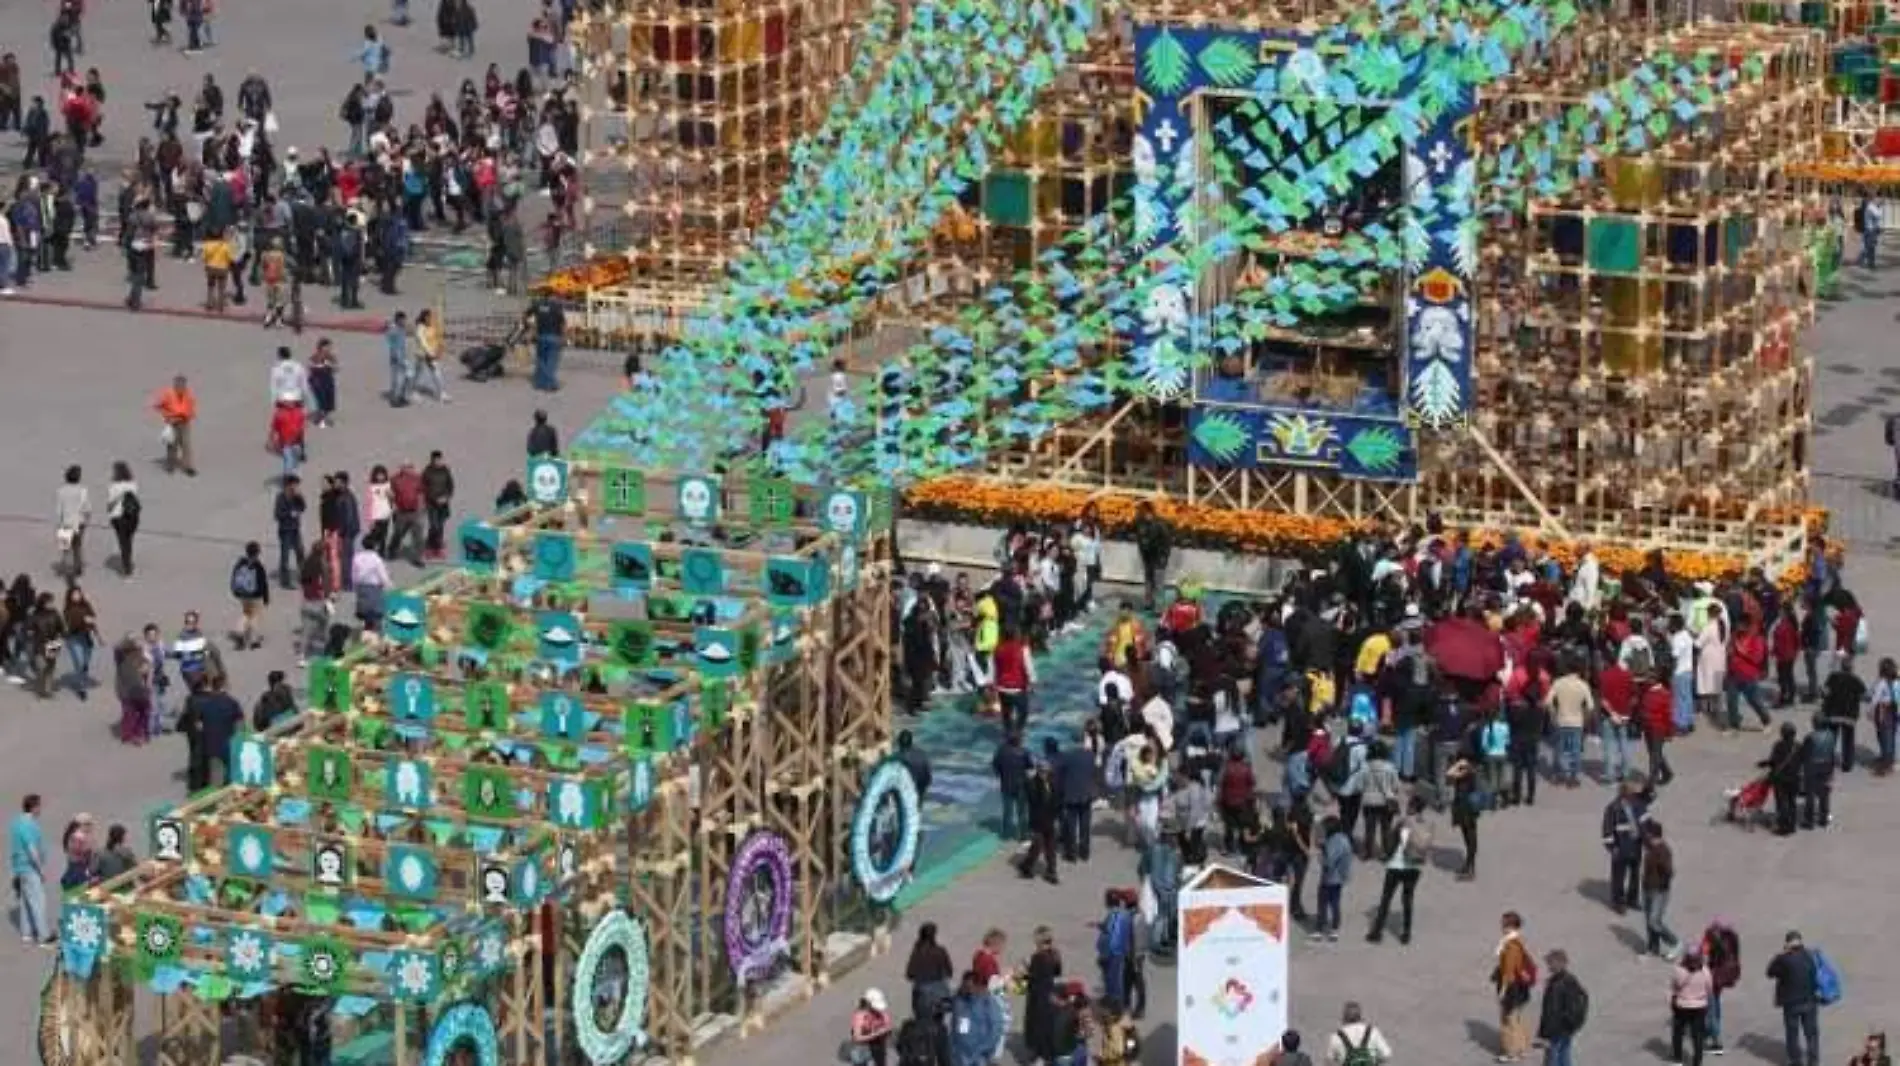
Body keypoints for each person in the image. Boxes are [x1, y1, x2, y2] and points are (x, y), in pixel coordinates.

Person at [1366, 795, 1430, 945]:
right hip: (1414, 866)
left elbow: (1392, 843)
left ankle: (1377, 932)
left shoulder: (1403, 822)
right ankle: (1406, 933)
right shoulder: (1426, 823)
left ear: (1412, 807)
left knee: (1386, 898)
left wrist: (1387, 855)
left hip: (1397, 865)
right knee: (1407, 900)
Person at [178, 674, 243, 792]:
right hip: (229, 745)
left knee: (216, 782)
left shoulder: (203, 703)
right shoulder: (231, 702)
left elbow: (197, 725)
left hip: (211, 747)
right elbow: (240, 724)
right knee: (234, 778)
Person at [1766, 931, 1821, 1066]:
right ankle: (1813, 1061)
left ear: (1787, 943)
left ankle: (1796, 1061)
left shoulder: (1784, 959)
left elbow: (1770, 972)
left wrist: (1780, 955)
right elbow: (1815, 974)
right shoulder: (1809, 955)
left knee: (1792, 1034)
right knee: (1812, 1034)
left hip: (1791, 1004)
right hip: (1809, 1001)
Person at [1600, 774, 1650, 913]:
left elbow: (1645, 823)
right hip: (1620, 847)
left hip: (1635, 844)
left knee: (1635, 874)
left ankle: (1632, 899)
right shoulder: (1613, 808)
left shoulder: (1639, 803)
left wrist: (1648, 841)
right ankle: (1618, 902)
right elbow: (1607, 830)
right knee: (1618, 876)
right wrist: (1612, 847)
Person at [10, 794, 52, 944]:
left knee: (26, 901)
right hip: (30, 867)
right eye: (39, 806)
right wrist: (40, 870)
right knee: (38, 901)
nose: (40, 809)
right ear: (33, 808)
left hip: (20, 868)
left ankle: (26, 933)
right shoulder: (28, 825)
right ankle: (43, 936)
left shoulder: (17, 822)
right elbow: (31, 849)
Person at [1494, 912, 1535, 1063]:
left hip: (1511, 988)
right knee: (1517, 1018)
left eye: (1503, 924)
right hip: (1520, 988)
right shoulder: (1517, 940)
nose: (1501, 927)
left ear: (1510, 926)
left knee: (1507, 1020)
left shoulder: (1510, 945)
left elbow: (1509, 971)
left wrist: (1503, 991)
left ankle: (1511, 1051)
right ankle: (1522, 1048)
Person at [1536, 950, 1588, 1066]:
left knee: (1553, 1055)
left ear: (1557, 964)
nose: (1548, 966)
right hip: (1568, 1026)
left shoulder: (1556, 986)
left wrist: (1545, 1033)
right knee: (1564, 1052)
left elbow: (1551, 1012)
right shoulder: (1570, 979)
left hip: (1557, 1028)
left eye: (1549, 963)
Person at [1022, 927, 1063, 1065]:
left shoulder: (1038, 957)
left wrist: (1026, 968)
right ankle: (1048, 1054)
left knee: (1037, 1025)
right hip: (1049, 991)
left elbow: (1033, 977)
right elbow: (1057, 973)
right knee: (1047, 1024)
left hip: (1038, 995)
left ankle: (1040, 1056)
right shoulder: (1055, 954)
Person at [1699, 920, 1741, 1055]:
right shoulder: (1732, 937)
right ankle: (1710, 1030)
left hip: (1714, 975)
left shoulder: (1712, 939)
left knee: (1710, 1006)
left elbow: (1704, 955)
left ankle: (1716, 1041)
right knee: (1715, 1002)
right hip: (1726, 975)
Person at [1639, 820, 1678, 958]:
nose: (1645, 836)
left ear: (1652, 835)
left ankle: (1674, 943)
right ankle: (1652, 947)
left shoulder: (1663, 850)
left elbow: (1669, 871)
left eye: (1647, 834)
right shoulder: (1650, 847)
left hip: (1659, 891)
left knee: (1654, 921)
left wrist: (1665, 876)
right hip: (1647, 888)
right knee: (1649, 920)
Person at [1669, 951, 1714, 1066]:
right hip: (1699, 1006)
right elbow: (1709, 988)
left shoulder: (1679, 970)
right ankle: (1697, 1061)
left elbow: (1674, 986)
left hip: (1682, 1006)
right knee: (1698, 1035)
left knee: (1678, 1032)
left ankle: (1677, 1058)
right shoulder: (1705, 972)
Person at [948, 971, 1002, 1066]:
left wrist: (985, 1049)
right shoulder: (959, 1000)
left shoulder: (987, 1002)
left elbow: (996, 1028)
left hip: (979, 1054)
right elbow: (954, 1024)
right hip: (960, 1053)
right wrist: (952, 1047)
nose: (967, 990)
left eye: (970, 987)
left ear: (977, 986)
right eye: (965, 986)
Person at [1313, 814, 1351, 943]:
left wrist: (1320, 856)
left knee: (1323, 903)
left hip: (1330, 878)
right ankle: (1334, 929)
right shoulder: (1343, 838)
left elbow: (1329, 862)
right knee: (1335, 903)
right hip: (1339, 879)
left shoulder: (1334, 841)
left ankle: (1320, 929)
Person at [1761, 721, 1803, 836]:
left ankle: (1784, 827)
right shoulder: (1799, 746)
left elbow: (1773, 762)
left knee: (1782, 803)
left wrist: (1763, 764)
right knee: (1792, 802)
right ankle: (1792, 825)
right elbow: (1802, 761)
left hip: (1781, 780)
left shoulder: (1778, 745)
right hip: (1794, 779)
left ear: (1782, 734)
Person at [154, 374, 197, 476]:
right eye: (178, 384)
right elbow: (158, 406)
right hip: (173, 422)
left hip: (185, 422)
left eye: (183, 384)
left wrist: (190, 415)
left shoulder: (189, 394)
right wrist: (168, 416)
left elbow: (192, 407)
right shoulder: (168, 394)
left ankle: (188, 467)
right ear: (175, 384)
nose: (181, 386)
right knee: (172, 444)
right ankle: (170, 465)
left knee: (186, 444)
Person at [230, 542, 270, 650]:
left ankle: (239, 632)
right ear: (257, 553)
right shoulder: (258, 566)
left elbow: (234, 576)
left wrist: (234, 590)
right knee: (254, 616)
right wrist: (266, 598)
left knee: (246, 614)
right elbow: (263, 583)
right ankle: (253, 640)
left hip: (243, 594)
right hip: (255, 595)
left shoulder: (240, 563)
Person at [114, 634, 153, 745]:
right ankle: (130, 735)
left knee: (143, 712)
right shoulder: (121, 656)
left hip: (139, 690)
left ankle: (138, 734)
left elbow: (148, 670)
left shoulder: (141, 655)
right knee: (131, 713)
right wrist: (129, 639)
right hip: (126, 690)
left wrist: (148, 684)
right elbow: (117, 647)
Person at [61, 585, 98, 699]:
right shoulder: (68, 609)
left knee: (86, 662)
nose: (77, 596)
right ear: (70, 596)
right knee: (79, 663)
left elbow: (93, 615)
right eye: (74, 594)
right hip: (73, 638)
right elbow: (71, 622)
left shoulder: (86, 605)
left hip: (86, 637)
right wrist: (84, 619)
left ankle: (83, 676)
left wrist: (91, 620)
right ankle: (81, 688)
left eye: (78, 593)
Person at [1326, 1002, 1390, 1065]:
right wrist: (1374, 1062)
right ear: (1360, 1017)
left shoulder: (1336, 1036)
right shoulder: (1373, 1032)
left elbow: (1329, 1061)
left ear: (1344, 1018)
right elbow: (1386, 1054)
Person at [55, 464, 91, 578]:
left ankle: (66, 569)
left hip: (65, 522)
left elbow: (58, 510)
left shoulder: (61, 491)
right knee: (77, 546)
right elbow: (87, 508)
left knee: (65, 548)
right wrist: (86, 520)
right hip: (79, 523)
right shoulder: (82, 490)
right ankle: (78, 567)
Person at [106, 461, 140, 578]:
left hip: (118, 517)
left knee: (122, 541)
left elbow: (110, 504)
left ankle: (126, 565)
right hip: (132, 516)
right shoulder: (133, 484)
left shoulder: (113, 486)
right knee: (129, 539)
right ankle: (128, 560)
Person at [421, 451, 454, 560]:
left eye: (439, 459)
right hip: (432, 504)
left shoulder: (445, 471)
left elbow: (450, 485)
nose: (438, 462)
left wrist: (447, 497)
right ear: (432, 460)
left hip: (443, 504)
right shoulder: (427, 472)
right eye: (436, 460)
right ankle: (430, 547)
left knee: (440, 526)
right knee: (434, 526)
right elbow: (424, 488)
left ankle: (438, 548)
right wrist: (435, 499)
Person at [531, 291, 566, 391]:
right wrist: (564, 337)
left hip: (541, 336)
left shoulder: (538, 305)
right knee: (551, 361)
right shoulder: (557, 307)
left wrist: (529, 327)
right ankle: (550, 384)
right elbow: (563, 323)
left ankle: (539, 383)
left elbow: (526, 314)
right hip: (554, 337)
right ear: (552, 296)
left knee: (541, 360)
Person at [849, 989, 892, 1066]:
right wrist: (876, 1034)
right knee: (860, 1061)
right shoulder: (860, 1016)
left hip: (878, 1044)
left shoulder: (880, 1012)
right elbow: (857, 1037)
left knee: (881, 1062)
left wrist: (885, 1030)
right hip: (863, 1046)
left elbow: (887, 1023)